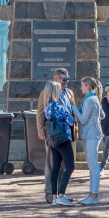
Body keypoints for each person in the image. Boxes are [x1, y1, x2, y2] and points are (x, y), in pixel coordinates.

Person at [35, 68, 75, 202]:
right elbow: (40, 112)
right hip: (53, 134)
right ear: (56, 79)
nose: (66, 82)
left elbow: (72, 111)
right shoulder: (46, 93)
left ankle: (59, 193)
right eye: (64, 79)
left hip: (67, 134)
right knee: (52, 164)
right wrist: (41, 131)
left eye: (67, 79)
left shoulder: (69, 93)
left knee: (63, 165)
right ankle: (49, 193)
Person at [77, 78, 104, 205]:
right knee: (92, 166)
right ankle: (92, 194)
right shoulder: (93, 99)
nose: (81, 88)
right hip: (90, 134)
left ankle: (93, 195)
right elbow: (101, 115)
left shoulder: (90, 100)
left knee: (93, 166)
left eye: (82, 85)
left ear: (87, 86)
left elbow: (82, 119)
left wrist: (73, 108)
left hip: (91, 135)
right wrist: (96, 118)